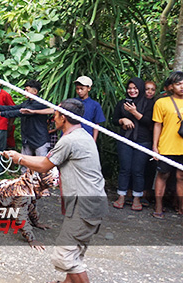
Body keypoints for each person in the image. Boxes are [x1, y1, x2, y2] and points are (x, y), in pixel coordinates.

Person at [3, 99, 109, 283]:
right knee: (76, 246)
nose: (53, 118)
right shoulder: (83, 136)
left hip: (86, 204)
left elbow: (43, 165)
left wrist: (18, 157)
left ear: (63, 117)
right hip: (91, 202)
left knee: (64, 255)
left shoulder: (69, 140)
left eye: (56, 114)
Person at [111, 78, 153, 211]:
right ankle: (122, 196)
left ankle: (136, 198)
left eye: (135, 88)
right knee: (125, 169)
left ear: (140, 88)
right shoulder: (122, 103)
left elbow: (150, 122)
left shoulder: (149, 104)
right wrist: (122, 120)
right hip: (125, 139)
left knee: (138, 170)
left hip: (143, 141)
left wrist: (134, 112)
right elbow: (114, 120)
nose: (132, 90)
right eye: (130, 88)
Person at [0, 79, 51, 168]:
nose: (24, 92)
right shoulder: (27, 103)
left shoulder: (39, 104)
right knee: (24, 164)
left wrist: (1, 114)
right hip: (28, 139)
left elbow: (19, 112)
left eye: (27, 90)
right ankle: (24, 180)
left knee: (42, 165)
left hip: (39, 139)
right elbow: (13, 108)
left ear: (35, 91)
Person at [151, 71, 183, 218]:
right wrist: (155, 147)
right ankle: (158, 206)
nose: (182, 86)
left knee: (181, 177)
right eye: (178, 84)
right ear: (170, 87)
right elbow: (157, 125)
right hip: (166, 146)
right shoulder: (161, 102)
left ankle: (181, 206)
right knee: (162, 175)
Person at [73, 76, 106, 141]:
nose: (79, 91)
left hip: (86, 138)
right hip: (71, 137)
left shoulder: (95, 105)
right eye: (77, 89)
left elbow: (96, 125)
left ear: (89, 88)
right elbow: (58, 109)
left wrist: (93, 141)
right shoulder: (71, 102)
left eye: (82, 89)